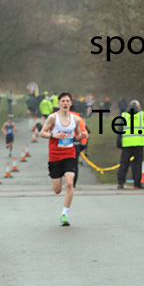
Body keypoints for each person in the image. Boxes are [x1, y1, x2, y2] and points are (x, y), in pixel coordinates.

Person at [40, 92, 88, 226]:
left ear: (71, 103)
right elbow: (42, 133)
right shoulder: (52, 118)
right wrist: (54, 135)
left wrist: (83, 135)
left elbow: (77, 137)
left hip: (70, 154)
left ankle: (64, 214)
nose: (65, 103)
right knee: (57, 189)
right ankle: (57, 184)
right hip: (55, 156)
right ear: (59, 103)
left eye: (67, 101)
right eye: (63, 101)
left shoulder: (76, 119)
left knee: (69, 183)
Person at [116, 100, 144, 189]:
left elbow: (120, 130)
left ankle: (120, 183)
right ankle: (137, 184)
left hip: (127, 144)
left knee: (124, 164)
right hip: (138, 143)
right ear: (138, 107)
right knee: (137, 165)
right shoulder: (141, 115)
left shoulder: (124, 115)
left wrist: (118, 141)